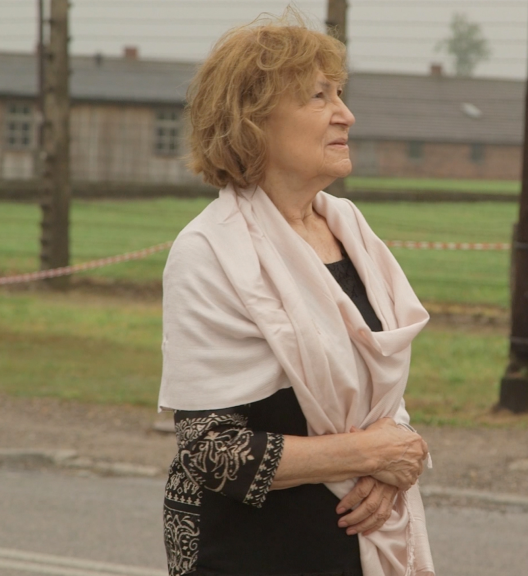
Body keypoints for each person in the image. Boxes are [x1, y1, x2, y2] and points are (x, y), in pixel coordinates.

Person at [158, 14, 435, 576]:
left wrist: (398, 454)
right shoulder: (210, 251)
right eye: (318, 97)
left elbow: (376, 400)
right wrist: (371, 454)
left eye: (340, 94)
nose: (346, 114)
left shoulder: (351, 228)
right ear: (253, 121)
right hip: (249, 551)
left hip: (359, 538)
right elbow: (210, 452)